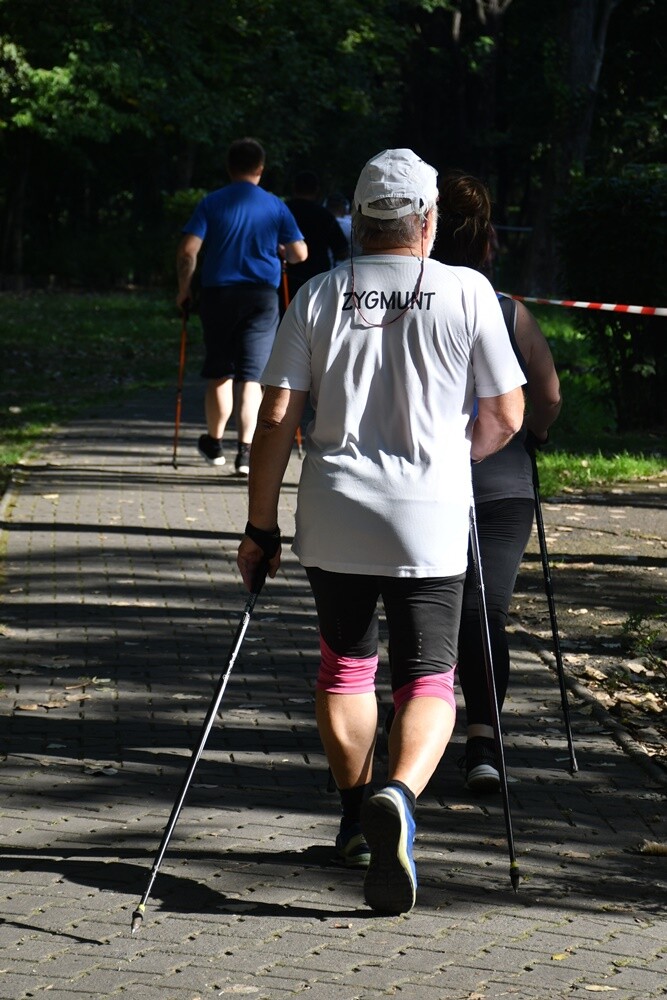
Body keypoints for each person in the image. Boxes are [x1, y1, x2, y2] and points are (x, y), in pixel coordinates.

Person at [236, 149, 526, 915]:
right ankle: (397, 794)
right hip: (428, 514)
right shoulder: (467, 292)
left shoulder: (320, 293)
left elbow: (276, 415)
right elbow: (507, 414)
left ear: (360, 222)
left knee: (345, 667)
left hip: (335, 510)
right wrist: (452, 459)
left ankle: (352, 818)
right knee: (428, 676)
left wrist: (259, 526)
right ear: (426, 221)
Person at [436, 170, 562, 793]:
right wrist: (534, 435)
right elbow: (549, 396)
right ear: (488, 240)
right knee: (485, 610)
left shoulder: (414, 303)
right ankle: (483, 741)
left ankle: (416, 724)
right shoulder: (511, 313)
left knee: (429, 607)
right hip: (505, 483)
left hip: (431, 476)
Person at [176, 137, 307, 475]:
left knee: (220, 372)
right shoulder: (275, 205)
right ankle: (245, 453)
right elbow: (299, 253)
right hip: (261, 297)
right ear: (260, 169)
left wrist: (184, 289)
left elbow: (188, 250)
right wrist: (281, 251)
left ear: (229, 167)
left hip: (218, 295)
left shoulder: (212, 203)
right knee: (252, 377)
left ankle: (214, 442)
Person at [285, 171, 348, 302]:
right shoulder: (325, 216)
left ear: (294, 187)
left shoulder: (283, 210)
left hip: (286, 278)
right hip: (317, 279)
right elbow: (342, 251)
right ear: (317, 190)